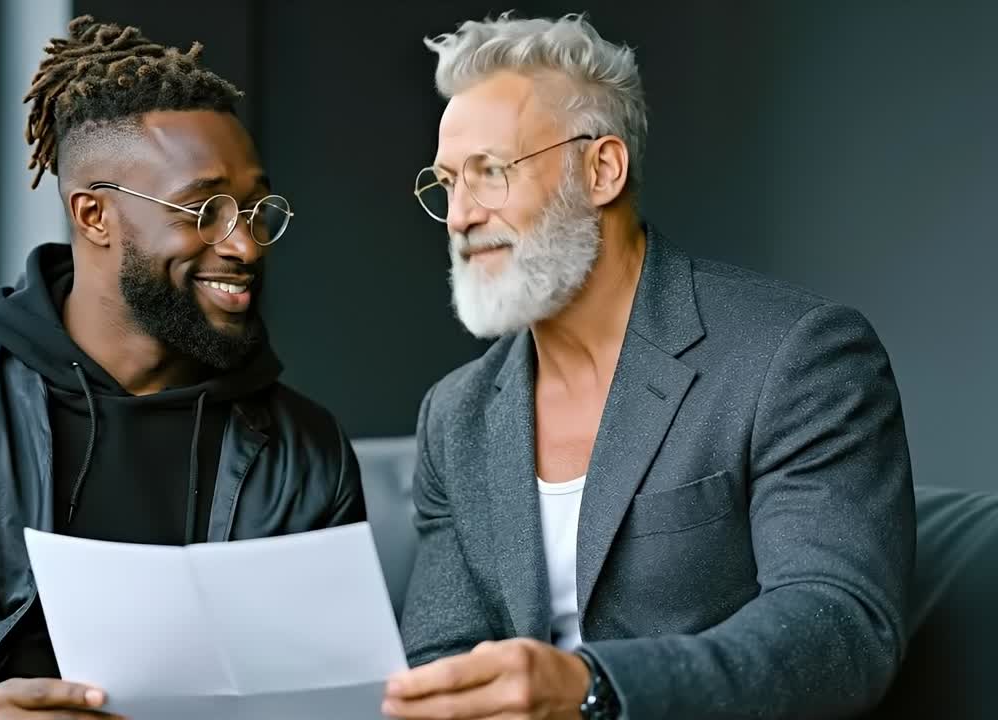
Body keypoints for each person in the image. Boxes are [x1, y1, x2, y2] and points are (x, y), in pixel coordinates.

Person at [0, 16, 365, 720]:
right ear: (93, 215)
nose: (246, 245)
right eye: (204, 210)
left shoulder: (302, 451)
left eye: (256, 209)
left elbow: (336, 691)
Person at [383, 13, 914, 720]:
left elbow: (840, 628)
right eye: (447, 182)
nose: (459, 216)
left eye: (491, 171)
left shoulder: (798, 354)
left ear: (601, 168)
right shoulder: (457, 413)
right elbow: (441, 654)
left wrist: (594, 690)